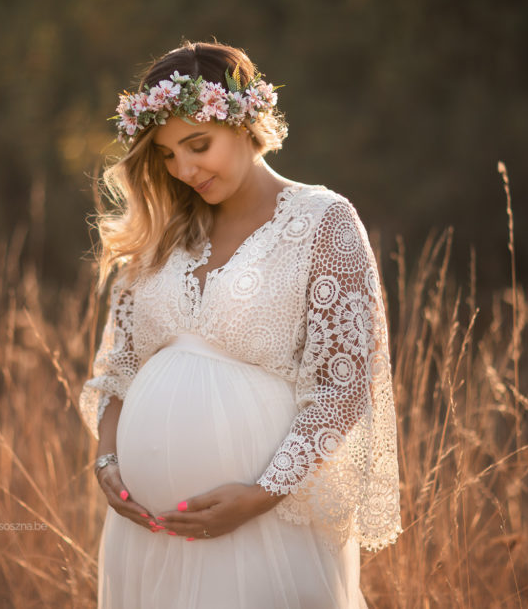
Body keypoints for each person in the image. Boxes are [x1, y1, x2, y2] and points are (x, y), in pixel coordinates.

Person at [79, 39, 401, 608]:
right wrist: (107, 461)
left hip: (263, 524)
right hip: (145, 531)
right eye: (167, 155)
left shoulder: (324, 221)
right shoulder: (161, 234)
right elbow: (119, 372)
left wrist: (261, 494)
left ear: (246, 120)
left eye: (197, 145)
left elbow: (344, 385)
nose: (184, 169)